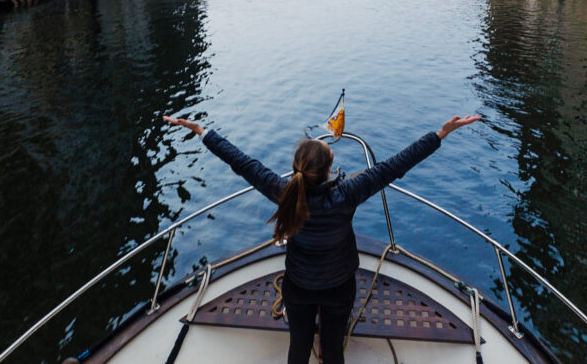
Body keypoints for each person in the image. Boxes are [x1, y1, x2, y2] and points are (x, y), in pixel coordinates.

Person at [162, 113, 481, 364]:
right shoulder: (348, 193)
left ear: (297, 169)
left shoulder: (283, 191)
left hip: (297, 288)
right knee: (332, 350)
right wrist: (440, 134)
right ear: (330, 169)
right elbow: (395, 166)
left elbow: (242, 163)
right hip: (338, 288)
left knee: (298, 347)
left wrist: (203, 131)